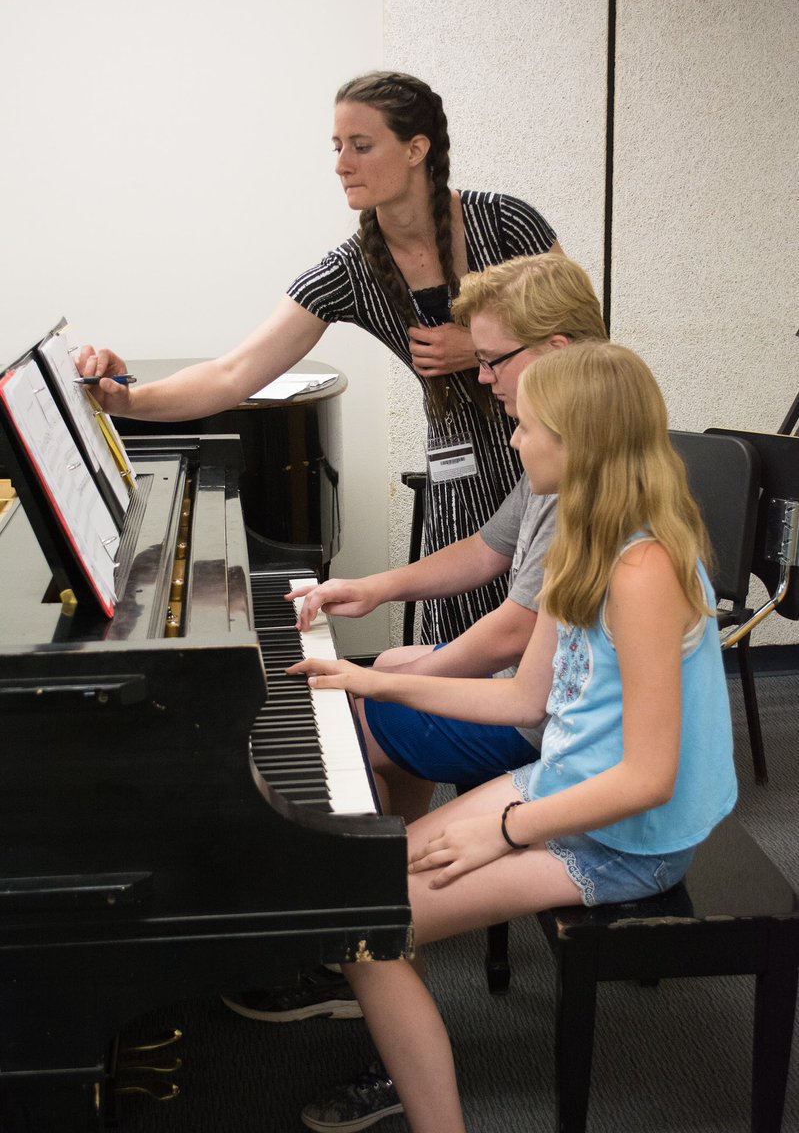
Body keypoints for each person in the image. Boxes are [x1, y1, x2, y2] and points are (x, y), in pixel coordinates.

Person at [287, 341, 738, 1133]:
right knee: (357, 892)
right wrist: (371, 679)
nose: (513, 439)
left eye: (527, 427)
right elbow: (526, 700)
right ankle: (409, 1066)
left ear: (580, 443)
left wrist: (500, 831)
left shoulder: (642, 570)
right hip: (566, 785)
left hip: (627, 834)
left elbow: (648, 778)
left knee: (361, 919)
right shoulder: (584, 540)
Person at [77, 70, 560, 644]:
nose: (341, 163)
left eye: (361, 146)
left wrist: (476, 348)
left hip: (555, 461)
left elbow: (589, 347)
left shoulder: (506, 223)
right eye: (337, 147)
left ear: (416, 149)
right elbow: (231, 374)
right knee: (458, 663)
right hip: (463, 492)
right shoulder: (351, 269)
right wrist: (126, 398)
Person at [288, 252, 608, 824]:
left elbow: (515, 632)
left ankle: (381, 880)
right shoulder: (558, 446)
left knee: (353, 717)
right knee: (388, 660)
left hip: (553, 722)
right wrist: (377, 588)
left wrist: (394, 687)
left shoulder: (581, 482)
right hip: (536, 689)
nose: (483, 377)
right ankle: (400, 849)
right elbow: (486, 548)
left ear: (556, 353)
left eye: (492, 361)